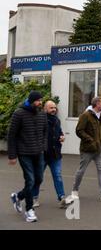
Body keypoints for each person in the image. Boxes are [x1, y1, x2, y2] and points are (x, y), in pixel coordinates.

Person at [65, 97, 101, 204]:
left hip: (99, 148)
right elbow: (79, 130)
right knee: (82, 170)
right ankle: (74, 191)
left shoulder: (100, 115)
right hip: (87, 149)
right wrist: (90, 140)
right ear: (97, 104)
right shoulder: (85, 115)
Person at [8, 91, 47, 223]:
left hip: (39, 152)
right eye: (38, 100)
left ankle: (18, 196)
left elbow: (45, 132)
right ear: (31, 100)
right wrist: (12, 155)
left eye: (41, 100)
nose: (40, 103)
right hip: (24, 153)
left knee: (39, 179)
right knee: (30, 180)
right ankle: (30, 210)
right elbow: (12, 135)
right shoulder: (19, 113)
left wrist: (43, 146)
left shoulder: (42, 114)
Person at [31, 101, 67, 208]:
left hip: (55, 154)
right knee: (38, 177)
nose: (54, 110)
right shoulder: (40, 120)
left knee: (58, 176)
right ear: (45, 109)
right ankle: (34, 198)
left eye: (55, 108)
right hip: (42, 155)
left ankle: (61, 198)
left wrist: (62, 136)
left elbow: (59, 132)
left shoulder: (57, 120)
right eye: (51, 108)